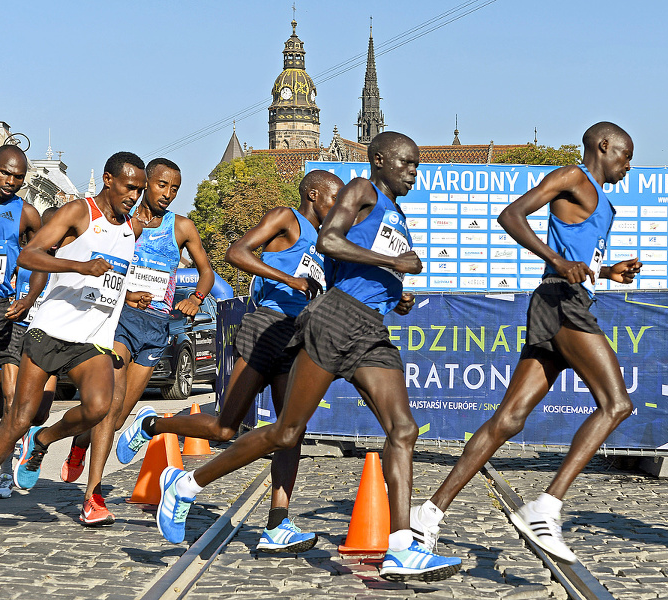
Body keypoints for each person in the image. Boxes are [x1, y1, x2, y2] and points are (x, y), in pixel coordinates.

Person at [154, 132, 461, 582]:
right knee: (286, 431)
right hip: (335, 320)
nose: (414, 172)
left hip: (370, 328)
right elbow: (328, 245)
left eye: (417, 164)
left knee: (403, 429)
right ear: (379, 161)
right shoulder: (362, 189)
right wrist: (392, 265)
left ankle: (400, 547)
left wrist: (395, 293)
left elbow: (341, 267)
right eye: (407, 163)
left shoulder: (397, 214)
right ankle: (185, 485)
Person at [410, 122, 641, 564]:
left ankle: (428, 513)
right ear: (603, 146)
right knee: (617, 405)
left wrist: (608, 272)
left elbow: (577, 254)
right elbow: (511, 216)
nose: (628, 165)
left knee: (509, 419)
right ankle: (545, 508)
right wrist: (556, 260)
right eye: (625, 154)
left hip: (565, 299)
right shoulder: (573, 177)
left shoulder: (601, 201)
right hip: (560, 304)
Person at [117, 169, 342, 548]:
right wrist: (287, 281)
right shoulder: (287, 218)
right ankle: (152, 424)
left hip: (297, 336)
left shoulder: (327, 243)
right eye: (335, 199)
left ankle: (277, 524)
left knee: (291, 434)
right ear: (315, 195)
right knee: (225, 428)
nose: (340, 209)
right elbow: (235, 252)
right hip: (265, 327)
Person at [0, 151, 145, 533]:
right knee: (16, 421)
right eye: (128, 187)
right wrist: (79, 265)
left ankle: (45, 441)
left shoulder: (130, 229)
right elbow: (29, 255)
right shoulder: (78, 212)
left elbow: (111, 278)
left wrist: (128, 295)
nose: (133, 196)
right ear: (108, 179)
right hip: (50, 330)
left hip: (92, 339)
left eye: (138, 190)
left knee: (99, 407)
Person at [57, 158, 213, 526]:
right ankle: (93, 495)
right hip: (120, 322)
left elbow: (206, 272)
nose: (168, 194)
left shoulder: (182, 227)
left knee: (121, 412)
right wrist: (126, 292)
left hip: (158, 328)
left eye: (174, 189)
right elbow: (103, 263)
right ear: (147, 184)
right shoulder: (127, 224)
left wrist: (196, 298)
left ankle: (81, 441)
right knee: (109, 404)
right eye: (161, 186)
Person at [0, 206, 60, 499]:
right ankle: (6, 472)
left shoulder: (69, 263)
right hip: (17, 331)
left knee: (40, 412)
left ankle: (28, 440)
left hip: (49, 337)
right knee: (10, 400)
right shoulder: (25, 255)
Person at [0, 147, 42, 449]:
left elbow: (43, 263)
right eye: (5, 173)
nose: (10, 181)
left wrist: (29, 299)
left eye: (18, 177)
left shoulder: (27, 214)